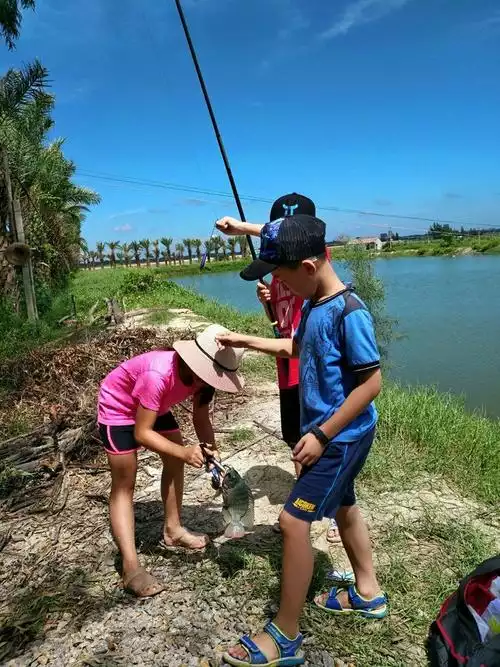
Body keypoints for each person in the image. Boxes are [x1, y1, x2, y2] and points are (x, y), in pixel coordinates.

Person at [217, 215, 387, 667]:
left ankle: (285, 634)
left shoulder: (350, 312)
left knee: (294, 523)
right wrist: (244, 340)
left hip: (341, 437)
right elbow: (297, 348)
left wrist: (320, 434)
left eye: (282, 277)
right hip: (329, 434)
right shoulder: (314, 305)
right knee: (345, 504)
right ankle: (368, 593)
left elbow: (371, 385)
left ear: (308, 268)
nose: (279, 286)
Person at [216, 194, 341, 545]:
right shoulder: (278, 279)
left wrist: (242, 227)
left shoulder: (313, 262)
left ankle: (332, 510)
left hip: (315, 369)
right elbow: (280, 326)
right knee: (295, 439)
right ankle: (303, 504)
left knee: (324, 441)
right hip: (286, 368)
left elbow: (289, 239)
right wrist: (268, 306)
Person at [97, 324, 244, 599]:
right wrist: (186, 452)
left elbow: (201, 418)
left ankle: (173, 530)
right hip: (118, 406)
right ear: (198, 363)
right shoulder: (158, 375)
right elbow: (142, 433)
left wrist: (213, 454)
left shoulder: (204, 380)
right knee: (125, 482)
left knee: (175, 456)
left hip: (152, 405)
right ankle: (130, 567)